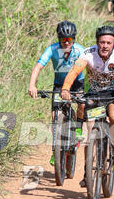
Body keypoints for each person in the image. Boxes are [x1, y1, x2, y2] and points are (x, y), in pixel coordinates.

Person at [61, 25, 114, 184]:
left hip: (113, 95)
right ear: (97, 42)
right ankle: (88, 172)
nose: (105, 46)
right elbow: (74, 72)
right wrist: (66, 88)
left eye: (109, 42)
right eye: (102, 42)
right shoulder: (87, 54)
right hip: (93, 96)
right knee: (90, 131)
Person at [28, 21, 85, 165]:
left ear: (74, 39)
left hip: (77, 83)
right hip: (59, 85)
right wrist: (32, 85)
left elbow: (91, 67)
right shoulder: (52, 49)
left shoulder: (80, 50)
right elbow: (38, 67)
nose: (66, 43)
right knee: (55, 116)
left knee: (82, 105)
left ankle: (78, 130)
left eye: (69, 40)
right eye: (63, 40)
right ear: (58, 39)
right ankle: (56, 151)